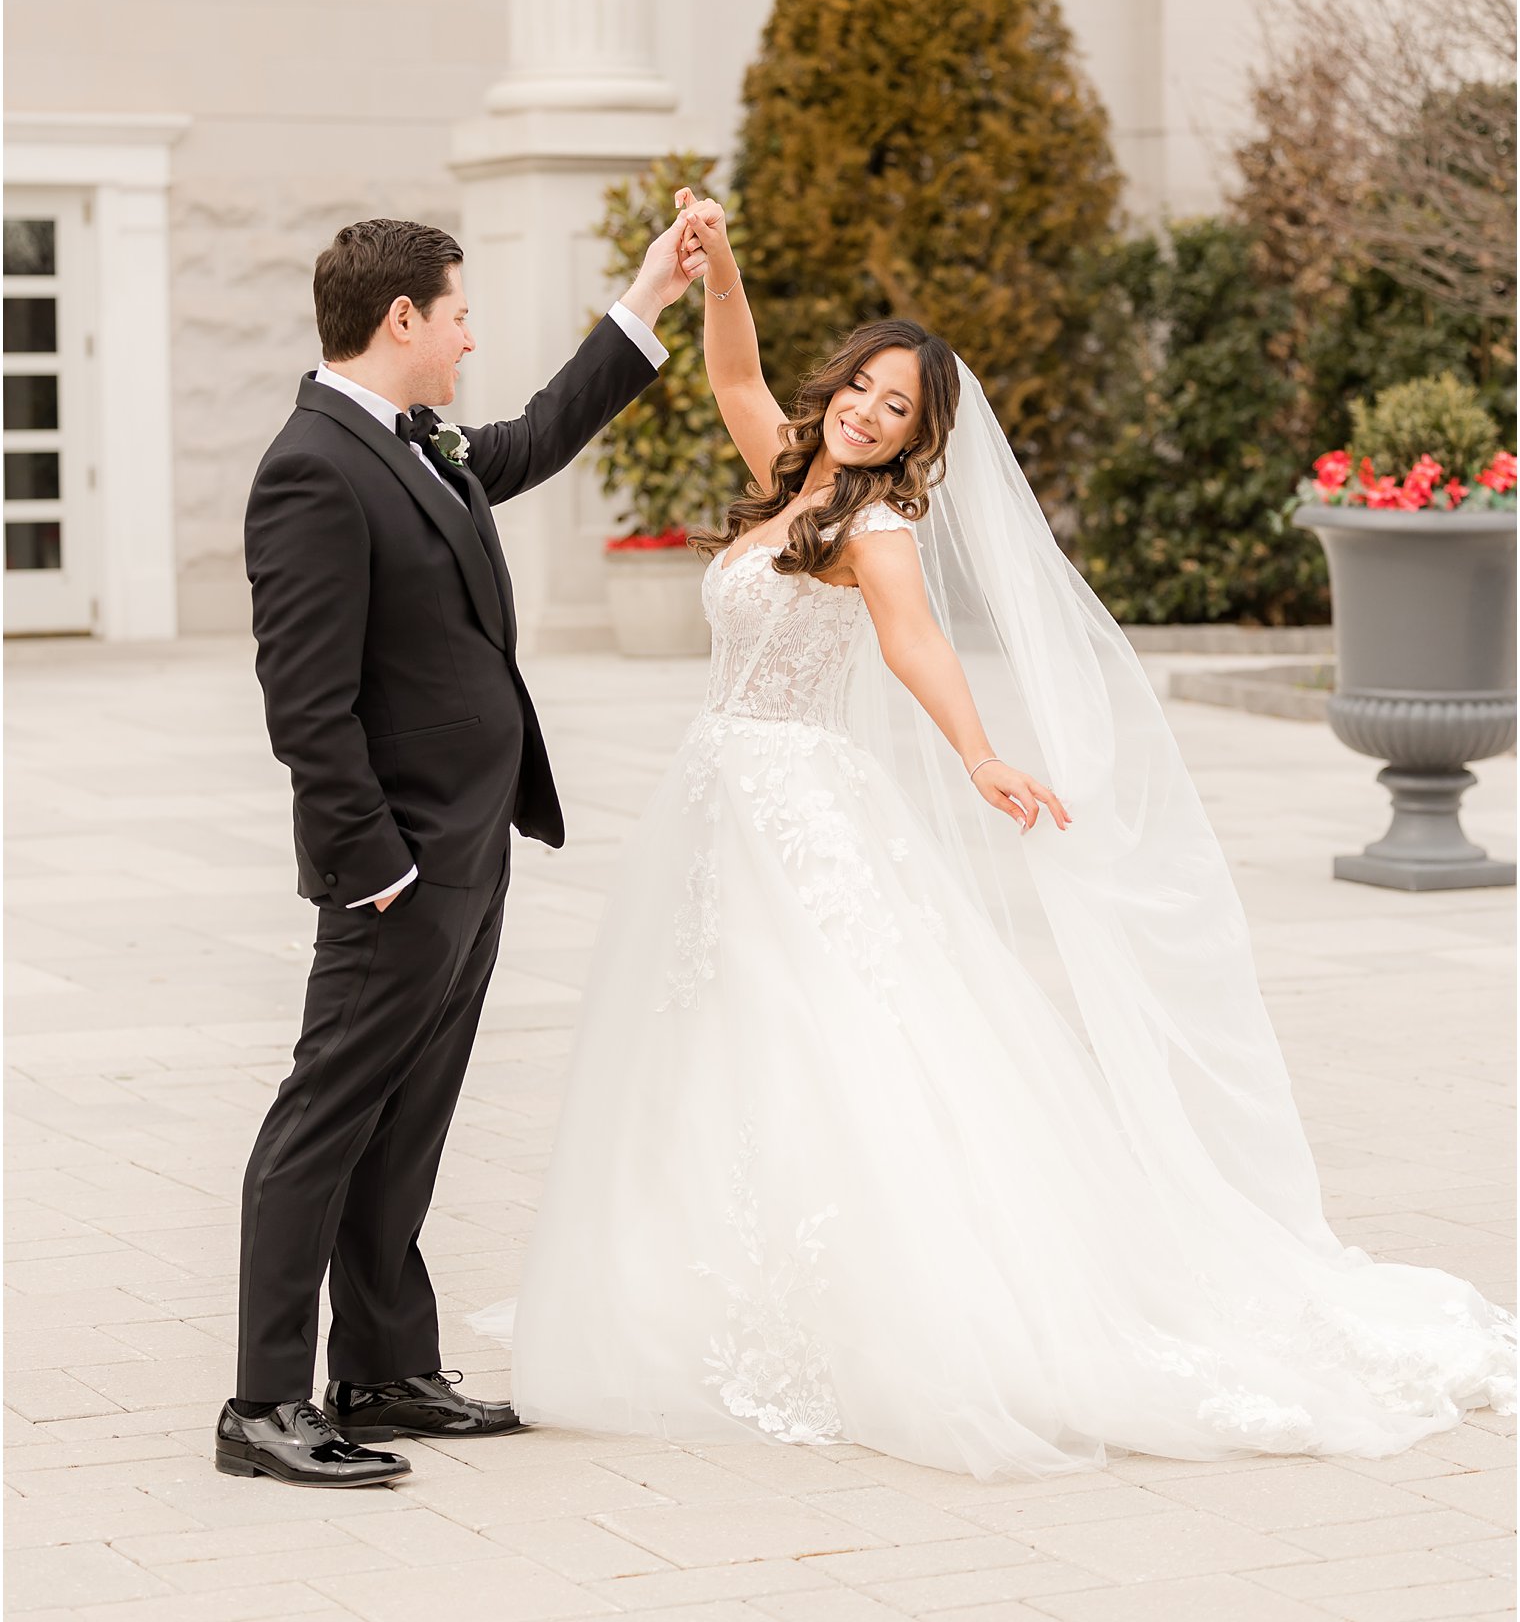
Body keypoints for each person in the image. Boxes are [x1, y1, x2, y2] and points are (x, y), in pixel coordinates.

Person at [476, 192, 1515, 1479]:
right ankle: (718, 1274)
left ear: (917, 438)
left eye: (894, 408)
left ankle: (890, 1299)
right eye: (859, 387)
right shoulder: (787, 482)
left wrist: (976, 752)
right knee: (717, 1033)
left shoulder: (871, 526)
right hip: (718, 793)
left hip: (794, 803)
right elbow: (733, 367)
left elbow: (913, 640)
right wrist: (716, 267)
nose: (863, 413)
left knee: (825, 1031)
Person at [219, 212, 702, 1488]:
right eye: (460, 313)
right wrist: (372, 864)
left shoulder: (413, 444)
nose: (471, 334)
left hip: (468, 842)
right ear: (403, 323)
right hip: (399, 868)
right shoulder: (313, 466)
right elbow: (304, 701)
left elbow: (536, 438)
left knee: (408, 1117)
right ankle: (263, 1404)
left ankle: (382, 1369)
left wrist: (648, 295)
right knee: (325, 1116)